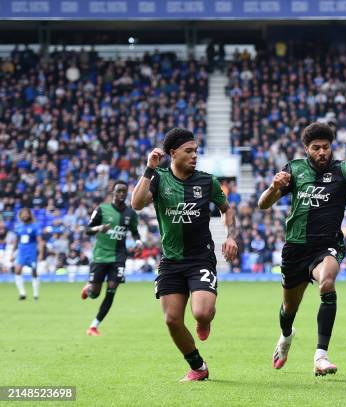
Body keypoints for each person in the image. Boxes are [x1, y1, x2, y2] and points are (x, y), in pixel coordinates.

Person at [258, 122, 346, 376]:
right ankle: (286, 337)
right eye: (316, 148)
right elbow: (263, 205)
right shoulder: (294, 170)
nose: (322, 152)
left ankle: (320, 356)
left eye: (326, 147)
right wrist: (274, 187)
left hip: (327, 246)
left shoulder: (342, 169)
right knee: (289, 309)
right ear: (306, 149)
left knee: (327, 283)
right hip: (295, 249)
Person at [131, 128, 238, 382]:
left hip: (200, 258)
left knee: (201, 312)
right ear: (173, 153)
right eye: (188, 151)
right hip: (170, 261)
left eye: (196, 151)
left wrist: (230, 235)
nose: (194, 156)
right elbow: (136, 203)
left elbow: (226, 210)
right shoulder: (159, 179)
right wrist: (149, 168)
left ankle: (205, 320)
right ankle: (198, 366)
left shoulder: (206, 181)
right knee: (171, 320)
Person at [80, 180, 142, 336]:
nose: (121, 194)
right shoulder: (101, 209)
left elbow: (134, 231)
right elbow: (87, 230)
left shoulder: (130, 213)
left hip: (119, 257)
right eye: (119, 191)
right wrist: (99, 228)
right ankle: (89, 288)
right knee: (95, 293)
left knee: (112, 290)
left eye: (124, 191)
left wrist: (138, 242)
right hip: (100, 255)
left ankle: (94, 326)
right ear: (113, 193)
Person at [11, 208, 44, 300]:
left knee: (33, 271)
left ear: (30, 215)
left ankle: (35, 294)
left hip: (31, 250)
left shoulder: (35, 226)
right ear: (20, 216)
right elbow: (16, 241)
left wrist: (41, 253)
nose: (25, 215)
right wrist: (12, 253)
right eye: (23, 214)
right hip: (21, 251)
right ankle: (22, 294)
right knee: (17, 270)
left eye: (26, 214)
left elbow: (40, 241)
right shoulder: (18, 227)